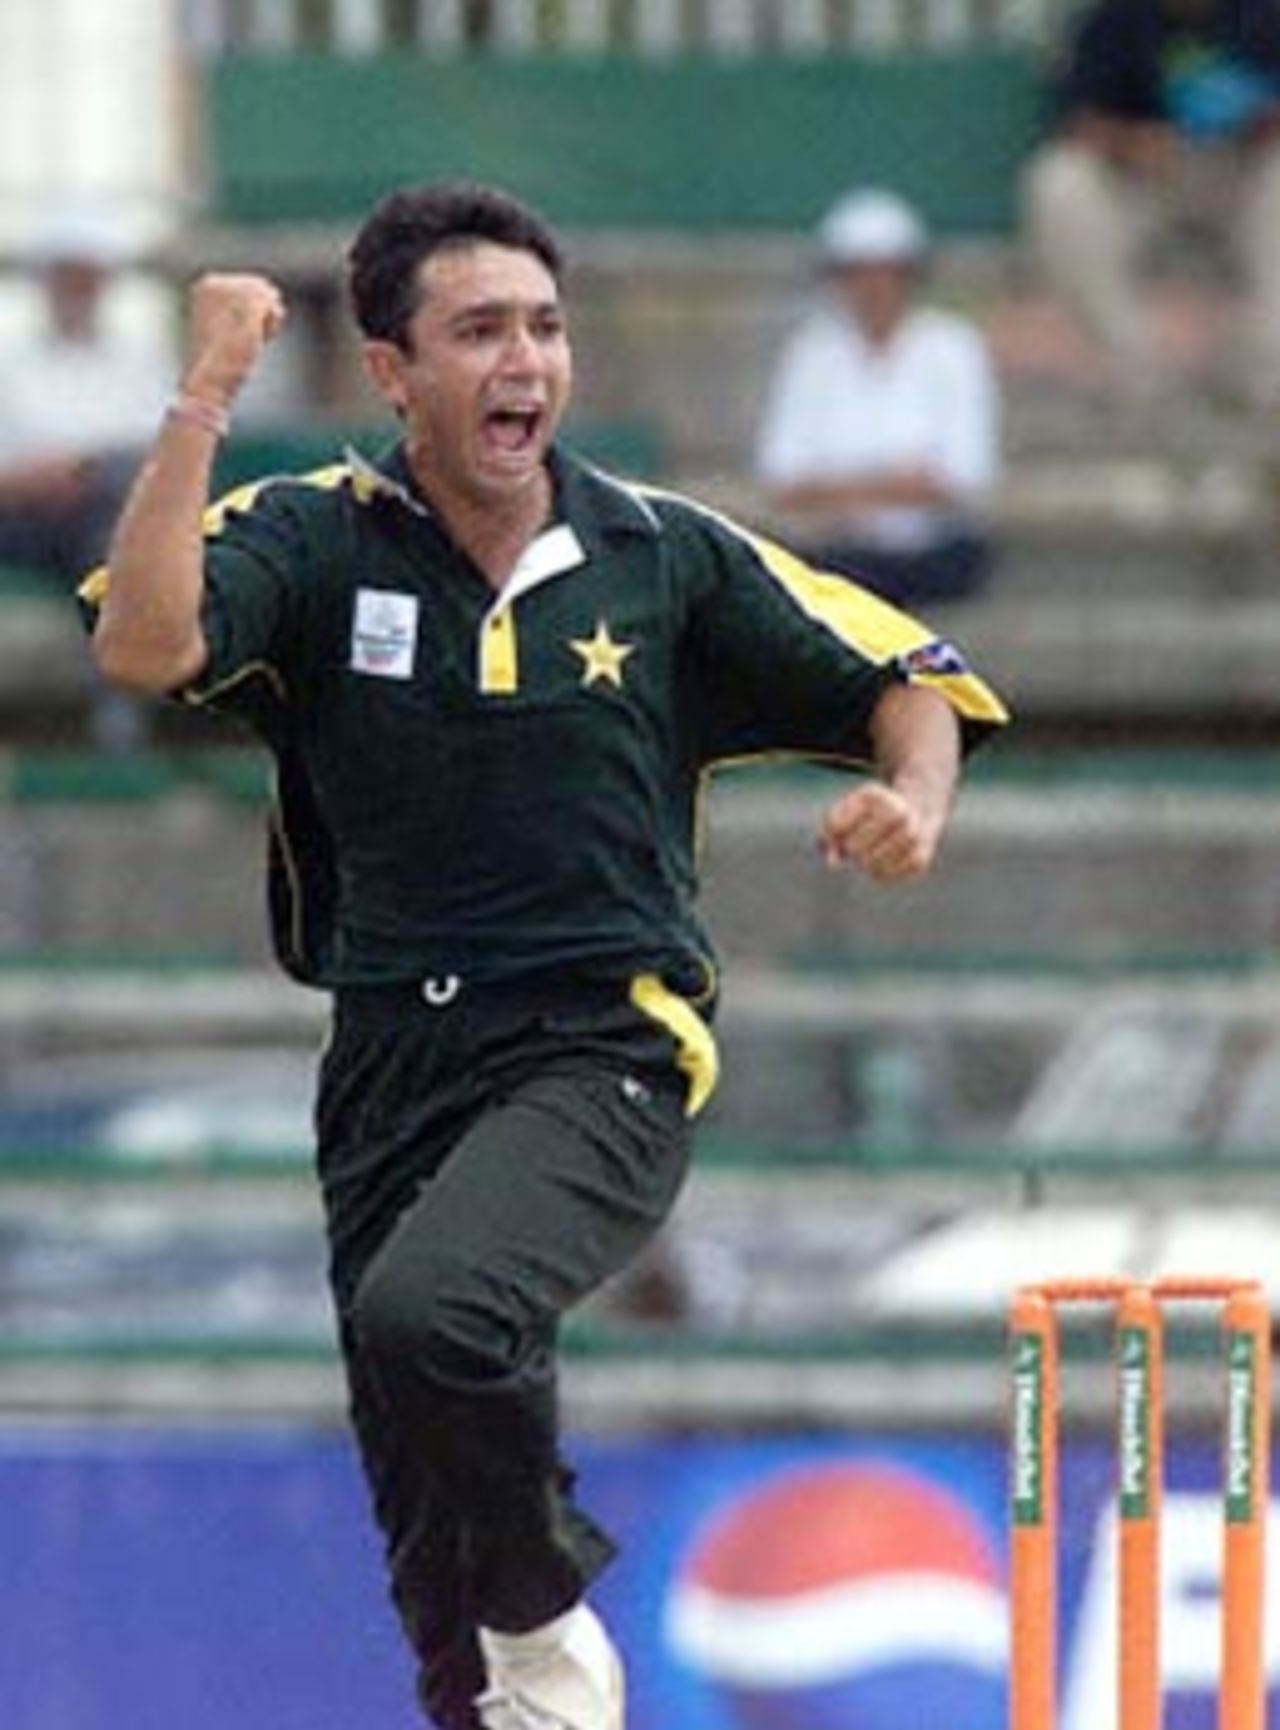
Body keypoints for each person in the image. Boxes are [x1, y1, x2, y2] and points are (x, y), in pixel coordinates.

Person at [81, 181, 1009, 1730]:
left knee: (434, 1317)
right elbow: (143, 645)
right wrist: (204, 398)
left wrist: (913, 797)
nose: (525, 361)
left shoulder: (662, 553)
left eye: (545, 327)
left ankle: (548, 1608)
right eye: (479, 331)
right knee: (435, 1573)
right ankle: (509, 1640)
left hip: (604, 1043)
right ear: (393, 372)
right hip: (389, 1059)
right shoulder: (311, 535)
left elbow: (911, 669)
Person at [1021, 0, 1280, 409]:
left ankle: (1267, 368)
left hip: (1245, 178)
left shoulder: (1265, 16)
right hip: (1146, 182)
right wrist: (1133, 141)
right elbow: (1073, 121)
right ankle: (1135, 368)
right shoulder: (1115, 21)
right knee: (1061, 184)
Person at [753, 187, 1001, 610]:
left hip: (930, 552)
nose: (871, 288)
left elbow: (964, 475)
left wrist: (838, 486)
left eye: (886, 272)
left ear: (909, 275)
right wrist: (897, 482)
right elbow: (783, 478)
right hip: (835, 552)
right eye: (856, 273)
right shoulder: (810, 352)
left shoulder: (954, 346)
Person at [0, 201, 174, 748]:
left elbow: (162, 460)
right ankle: (118, 702)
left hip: (105, 518)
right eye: (66, 274)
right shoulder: (11, 365)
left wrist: (79, 471)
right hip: (19, 517)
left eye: (87, 275)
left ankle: (118, 704)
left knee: (118, 523)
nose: (77, 287)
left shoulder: (142, 364)